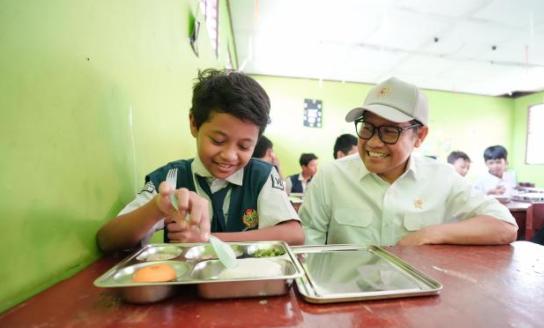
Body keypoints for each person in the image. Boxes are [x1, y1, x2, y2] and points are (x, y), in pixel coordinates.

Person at [97, 69, 304, 252]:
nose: (229, 155)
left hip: (248, 285)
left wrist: (207, 240)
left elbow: (294, 235)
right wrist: (157, 207)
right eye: (218, 140)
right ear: (194, 124)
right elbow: (107, 240)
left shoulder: (262, 175)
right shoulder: (171, 178)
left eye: (244, 146)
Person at [299, 76, 517, 246]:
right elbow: (307, 246)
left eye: (389, 131)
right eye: (367, 127)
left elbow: (504, 226)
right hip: (344, 294)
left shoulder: (441, 177)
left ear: (419, 136)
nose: (374, 142)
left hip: (417, 298)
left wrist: (429, 234)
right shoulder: (331, 177)